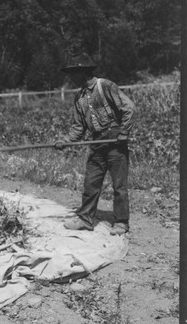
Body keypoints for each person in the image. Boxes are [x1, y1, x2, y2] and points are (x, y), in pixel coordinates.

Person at [55, 53, 135, 235]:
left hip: (115, 141)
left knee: (119, 186)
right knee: (91, 183)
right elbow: (78, 128)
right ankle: (85, 219)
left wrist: (123, 132)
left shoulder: (105, 86)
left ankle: (121, 222)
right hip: (97, 142)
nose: (70, 78)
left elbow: (128, 108)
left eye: (72, 74)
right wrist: (65, 142)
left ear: (82, 72)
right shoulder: (79, 98)